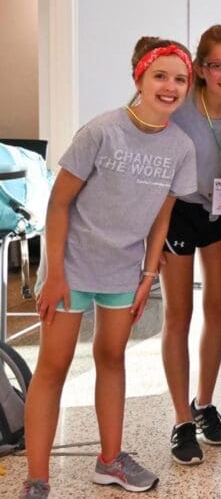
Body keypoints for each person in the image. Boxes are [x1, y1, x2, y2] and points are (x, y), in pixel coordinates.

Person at [22, 38, 198, 498]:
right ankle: (37, 479)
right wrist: (54, 271)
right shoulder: (101, 131)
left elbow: (163, 214)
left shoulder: (180, 147)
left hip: (123, 270)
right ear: (139, 78)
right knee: (54, 366)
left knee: (111, 357)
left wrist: (147, 275)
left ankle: (110, 460)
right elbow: (58, 204)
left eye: (180, 79)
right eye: (159, 75)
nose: (170, 86)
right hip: (72, 265)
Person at [161, 25, 221, 465]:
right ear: (201, 68)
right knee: (179, 312)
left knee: (219, 307)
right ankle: (181, 418)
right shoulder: (179, 106)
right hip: (178, 209)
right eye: (218, 65)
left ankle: (204, 402)